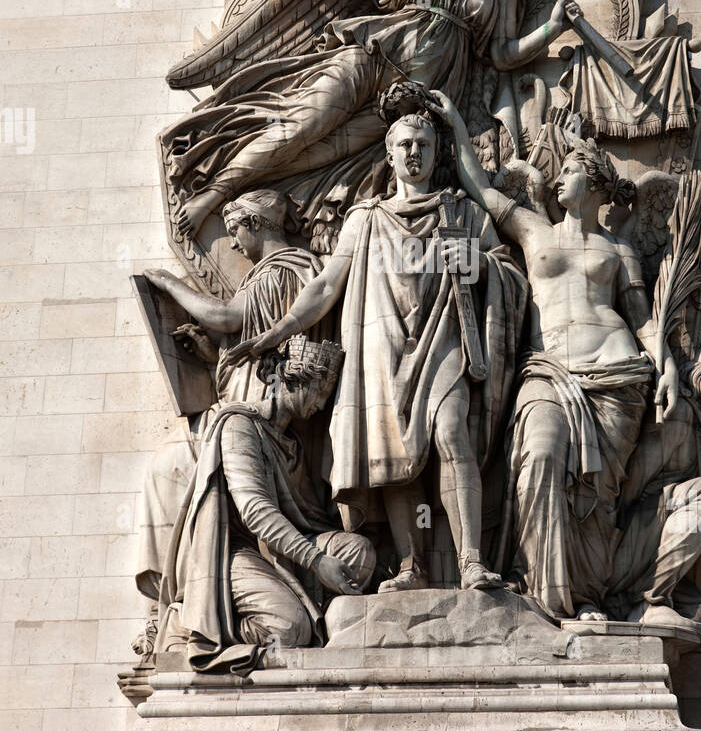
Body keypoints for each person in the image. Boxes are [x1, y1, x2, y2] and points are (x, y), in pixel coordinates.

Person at [161, 0, 580, 236]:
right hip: (371, 57)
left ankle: (243, 193)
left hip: (412, 98)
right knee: (300, 128)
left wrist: (552, 28)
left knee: (321, 154)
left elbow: (502, 54)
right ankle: (211, 194)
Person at [227, 109, 527, 592]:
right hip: (382, 348)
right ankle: (412, 564)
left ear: (437, 153)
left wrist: (477, 263)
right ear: (389, 154)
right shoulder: (365, 219)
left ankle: (471, 559)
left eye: (424, 145)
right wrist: (275, 332)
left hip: (443, 338)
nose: (414, 153)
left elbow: (508, 269)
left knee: (452, 433)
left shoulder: (463, 212)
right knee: (393, 457)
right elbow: (327, 285)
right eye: (405, 144)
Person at [432, 88, 680, 623]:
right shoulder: (532, 228)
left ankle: (585, 597)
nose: (557, 179)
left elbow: (642, 319)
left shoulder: (621, 250)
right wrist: (454, 120)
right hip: (547, 370)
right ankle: (544, 595)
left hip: (617, 376)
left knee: (595, 493)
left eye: (568, 171)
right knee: (539, 458)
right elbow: (480, 187)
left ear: (592, 183)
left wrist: (668, 364)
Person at [133, 189, 321, 649]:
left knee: (168, 471)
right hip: (243, 416)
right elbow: (247, 343)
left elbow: (226, 315)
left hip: (254, 425)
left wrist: (168, 283)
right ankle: (170, 608)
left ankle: (173, 612)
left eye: (235, 229)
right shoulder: (273, 274)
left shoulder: (281, 271)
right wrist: (211, 354)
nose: (233, 242)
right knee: (167, 472)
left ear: (257, 224)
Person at [157, 337, 375, 673]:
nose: (321, 403)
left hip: (279, 552)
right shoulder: (240, 426)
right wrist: (318, 561)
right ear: (294, 380)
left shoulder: (293, 444)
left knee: (359, 553)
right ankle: (195, 623)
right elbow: (255, 511)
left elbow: (307, 518)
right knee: (290, 629)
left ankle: (310, 608)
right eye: (319, 391)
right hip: (234, 552)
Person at [609, 336, 701, 646]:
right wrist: (612, 528)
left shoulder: (694, 417)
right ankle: (651, 597)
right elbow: (635, 478)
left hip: (648, 523)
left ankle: (645, 600)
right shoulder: (680, 414)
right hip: (628, 531)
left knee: (697, 607)